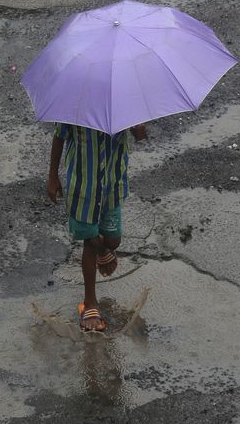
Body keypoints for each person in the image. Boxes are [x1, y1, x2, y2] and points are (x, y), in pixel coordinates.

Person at [47, 122, 147, 331]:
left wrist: (138, 128)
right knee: (90, 242)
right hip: (83, 189)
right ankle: (90, 303)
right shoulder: (75, 106)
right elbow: (59, 137)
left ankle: (104, 249)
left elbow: (140, 136)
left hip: (112, 187)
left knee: (113, 240)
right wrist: (52, 175)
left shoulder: (121, 103)